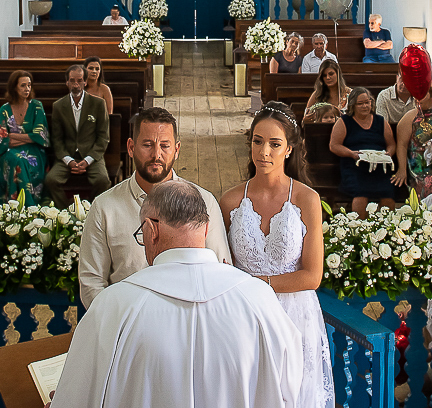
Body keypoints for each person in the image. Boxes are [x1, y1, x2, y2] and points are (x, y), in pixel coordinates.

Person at [50, 180, 303, 408]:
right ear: (205, 230)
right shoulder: (259, 299)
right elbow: (289, 389)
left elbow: (77, 396)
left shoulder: (113, 306)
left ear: (151, 230)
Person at [220, 103, 334, 408]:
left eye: (274, 144)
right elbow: (221, 268)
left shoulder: (307, 199)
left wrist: (258, 284)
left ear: (290, 149)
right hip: (244, 317)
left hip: (295, 315)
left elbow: (312, 276)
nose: (264, 152)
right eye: (258, 141)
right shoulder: (230, 201)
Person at [78, 106, 230, 309]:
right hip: (126, 325)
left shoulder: (205, 202)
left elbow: (220, 271)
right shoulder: (105, 207)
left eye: (165, 146)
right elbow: (92, 282)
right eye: (148, 145)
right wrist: (117, 324)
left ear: (176, 150)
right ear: (131, 147)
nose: (156, 154)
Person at [45, 64, 111, 207]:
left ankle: (92, 209)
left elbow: (103, 137)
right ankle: (65, 211)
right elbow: (57, 139)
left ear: (85, 82)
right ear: (67, 82)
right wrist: (69, 161)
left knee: (103, 180)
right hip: (68, 155)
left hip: (91, 155)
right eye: (72, 81)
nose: (76, 85)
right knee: (51, 180)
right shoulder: (58, 106)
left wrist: (87, 160)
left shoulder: (98, 104)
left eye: (79, 80)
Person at [0, 70, 49, 205]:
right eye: (23, 85)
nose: (27, 89)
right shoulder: (5, 109)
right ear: (14, 87)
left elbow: (40, 136)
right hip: (9, 152)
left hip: (35, 153)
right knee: (17, 160)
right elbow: (2, 140)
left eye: (29, 85)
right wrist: (28, 137)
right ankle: (22, 207)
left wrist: (13, 135)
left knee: (21, 161)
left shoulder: (37, 106)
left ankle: (24, 207)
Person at [329, 86, 396, 214]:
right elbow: (334, 145)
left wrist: (388, 153)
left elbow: (391, 144)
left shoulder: (381, 121)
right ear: (353, 105)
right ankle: (360, 228)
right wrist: (351, 153)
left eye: (367, 102)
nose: (365, 106)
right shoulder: (344, 122)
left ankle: (387, 227)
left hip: (379, 166)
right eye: (360, 103)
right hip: (355, 166)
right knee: (361, 193)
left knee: (388, 194)